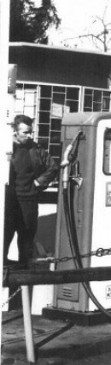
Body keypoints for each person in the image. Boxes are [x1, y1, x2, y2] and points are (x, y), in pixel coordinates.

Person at [4, 114, 58, 269]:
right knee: (5, 236)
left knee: (26, 237)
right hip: (9, 202)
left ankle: (24, 268)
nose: (29, 136)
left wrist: (39, 182)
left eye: (30, 132)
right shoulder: (7, 148)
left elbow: (53, 167)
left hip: (29, 199)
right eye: (25, 132)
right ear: (15, 131)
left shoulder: (35, 149)